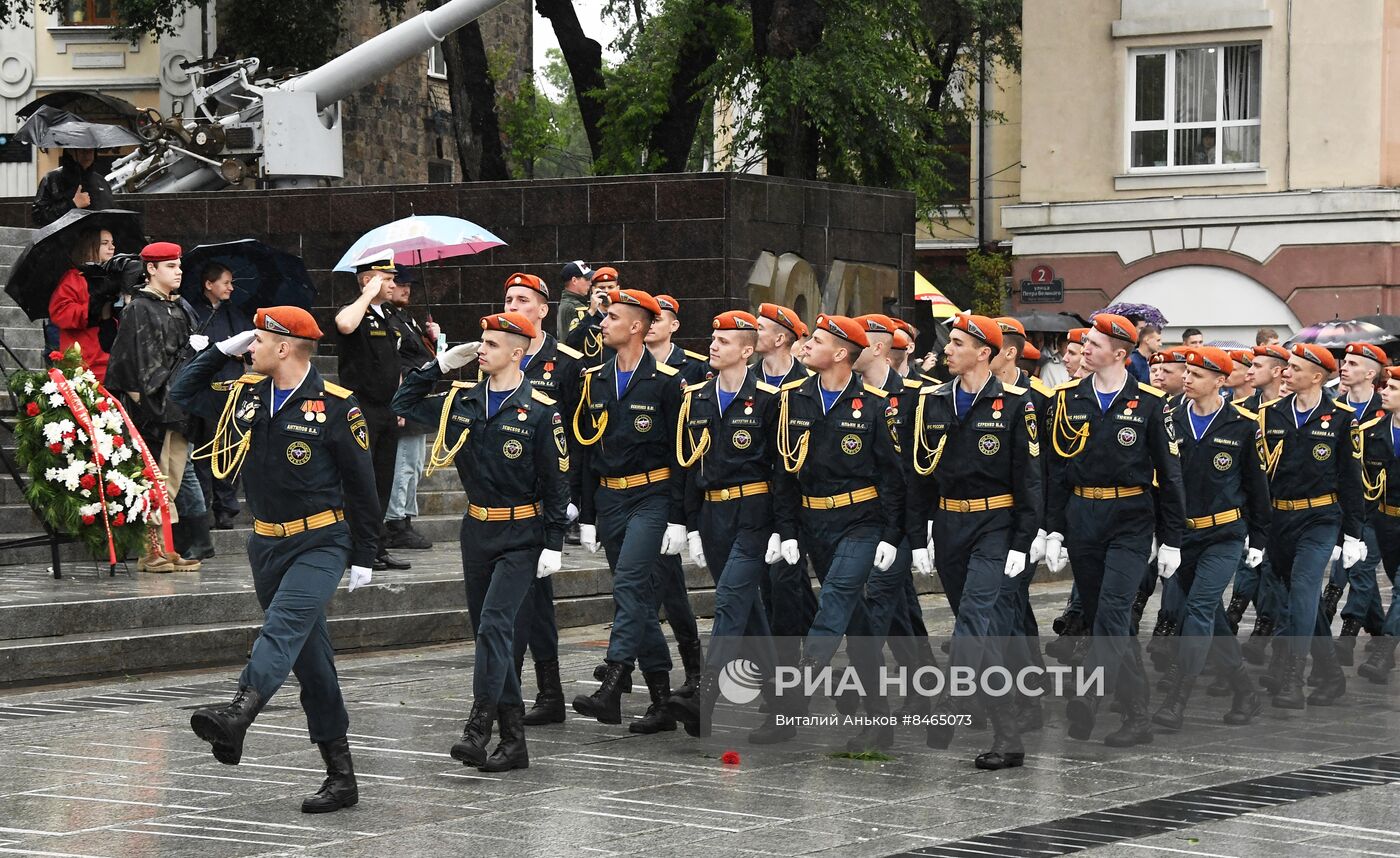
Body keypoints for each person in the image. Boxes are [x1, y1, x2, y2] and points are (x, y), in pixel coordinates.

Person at [173, 306, 379, 814]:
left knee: (283, 627)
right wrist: (222, 349)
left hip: (321, 540)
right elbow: (181, 393)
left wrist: (365, 553)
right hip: (267, 544)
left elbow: (362, 484)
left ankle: (240, 711)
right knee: (312, 663)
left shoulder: (336, 406)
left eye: (259, 340)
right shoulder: (246, 393)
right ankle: (341, 776)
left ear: (285, 347)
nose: (251, 348)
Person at [392, 310, 568, 772]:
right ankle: (514, 742)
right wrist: (440, 364)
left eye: (491, 344)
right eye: (481, 341)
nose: (482, 350)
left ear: (518, 352)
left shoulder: (541, 410)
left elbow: (556, 482)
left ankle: (478, 726)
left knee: (494, 626)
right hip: (478, 530)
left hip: (522, 534)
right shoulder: (460, 401)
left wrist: (554, 542)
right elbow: (403, 403)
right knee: (489, 636)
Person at [762, 314, 905, 743]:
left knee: (837, 597)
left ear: (841, 354)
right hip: (813, 521)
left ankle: (801, 690)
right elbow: (783, 474)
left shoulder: (876, 406)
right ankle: (878, 716)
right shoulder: (792, 401)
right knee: (856, 620)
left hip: (861, 520)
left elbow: (893, 479)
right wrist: (786, 531)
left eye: (817, 340)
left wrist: (893, 536)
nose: (806, 345)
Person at [1043, 313, 1183, 746]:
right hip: (1084, 516)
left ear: (1120, 354)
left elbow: (1169, 472)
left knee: (1114, 611)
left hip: (1131, 518)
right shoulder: (1067, 398)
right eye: (1086, 342)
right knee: (1110, 621)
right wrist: (1051, 530)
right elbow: (1055, 471)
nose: (1086, 348)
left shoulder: (1150, 403)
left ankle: (1089, 694)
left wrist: (1172, 538)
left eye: (1096, 344)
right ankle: (1137, 716)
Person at [909, 313, 1042, 769]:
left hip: (996, 523)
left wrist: (1023, 541)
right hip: (949, 525)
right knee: (978, 633)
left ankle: (949, 698)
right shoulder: (933, 400)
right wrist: (919, 532)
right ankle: (1008, 736)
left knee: (974, 616)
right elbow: (920, 474)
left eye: (958, 343)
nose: (947, 349)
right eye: (948, 342)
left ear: (984, 352)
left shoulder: (1016, 403)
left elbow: (1030, 479)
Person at [570, 289, 686, 731]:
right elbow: (585, 449)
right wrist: (586, 514)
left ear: (636, 326)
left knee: (632, 585)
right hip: (610, 499)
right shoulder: (594, 379)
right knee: (634, 595)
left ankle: (613, 683)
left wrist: (678, 515)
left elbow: (680, 455)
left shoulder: (666, 383)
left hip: (651, 496)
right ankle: (660, 701)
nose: (603, 323)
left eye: (613, 317)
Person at [666, 310, 784, 738]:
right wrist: (687, 523)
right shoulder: (696, 397)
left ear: (747, 351)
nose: (714, 345)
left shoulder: (771, 401)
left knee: (732, 600)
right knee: (747, 611)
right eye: (713, 338)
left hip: (753, 512)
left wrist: (780, 527)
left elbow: (781, 472)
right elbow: (687, 465)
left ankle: (705, 697)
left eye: (725, 340)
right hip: (713, 514)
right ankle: (781, 703)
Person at [1151, 347, 1268, 731]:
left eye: (1197, 374)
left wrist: (1259, 539)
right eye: (1186, 372)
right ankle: (1244, 689)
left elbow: (1256, 486)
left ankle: (1177, 697)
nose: (1187, 378)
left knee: (1199, 607)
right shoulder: (1168, 418)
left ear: (1220, 381)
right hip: (1183, 535)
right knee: (1212, 617)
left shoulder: (1243, 425)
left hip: (1224, 534)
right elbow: (1161, 483)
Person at [495, 272, 584, 726]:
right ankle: (546, 692)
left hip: (545, 497)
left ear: (544, 310)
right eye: (508, 298)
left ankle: (526, 692)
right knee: (531, 599)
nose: (513, 305)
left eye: (523, 300)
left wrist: (570, 501)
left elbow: (579, 436)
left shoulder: (564, 362)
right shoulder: (493, 356)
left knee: (527, 598)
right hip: (504, 495)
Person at [1255, 344, 1364, 709]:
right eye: (1287, 366)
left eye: (1295, 368)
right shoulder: (1270, 415)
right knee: (1301, 599)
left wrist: (1353, 534)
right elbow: (1259, 476)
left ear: (1317, 377)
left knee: (1303, 588)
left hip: (1320, 518)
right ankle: (1331, 676)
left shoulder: (1341, 418)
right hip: (1279, 519)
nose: (1287, 372)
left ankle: (1292, 677)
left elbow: (1351, 481)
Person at [105, 242, 212, 572]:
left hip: (179, 405)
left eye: (178, 265)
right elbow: (127, 361)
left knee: (172, 479)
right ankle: (150, 549)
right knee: (154, 478)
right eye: (170, 266)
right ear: (151, 269)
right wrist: (144, 402)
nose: (178, 271)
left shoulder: (183, 307)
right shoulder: (139, 308)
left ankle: (165, 544)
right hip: (152, 408)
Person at [333, 250, 411, 572]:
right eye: (388, 279)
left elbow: (396, 363)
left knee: (382, 481)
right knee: (361, 483)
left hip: (388, 409)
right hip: (360, 408)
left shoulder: (390, 316)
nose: (394, 285)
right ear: (369, 279)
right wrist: (366, 295)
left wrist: (402, 400)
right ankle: (358, 549)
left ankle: (376, 547)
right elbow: (344, 325)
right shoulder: (355, 312)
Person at [752, 303, 817, 669]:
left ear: (781, 338)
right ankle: (810, 639)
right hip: (757, 496)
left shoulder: (806, 385)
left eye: (760, 327)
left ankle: (786, 664)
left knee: (785, 576)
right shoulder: (746, 379)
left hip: (796, 497)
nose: (753, 331)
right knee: (771, 578)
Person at [1322, 342, 1388, 666]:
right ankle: (1378, 628)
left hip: (1378, 507)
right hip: (1342, 505)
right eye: (1343, 362)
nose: (1343, 367)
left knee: (1358, 567)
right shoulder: (1333, 409)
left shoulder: (1387, 410)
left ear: (1371, 373)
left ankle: (1346, 638)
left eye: (1352, 363)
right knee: (1355, 566)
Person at [187, 262, 252, 531]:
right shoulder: (192, 312)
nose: (230, 287)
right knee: (204, 452)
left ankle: (226, 508)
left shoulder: (234, 314)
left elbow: (250, 344)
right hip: (206, 391)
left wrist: (238, 353)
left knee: (231, 448)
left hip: (233, 389)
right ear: (208, 284)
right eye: (226, 282)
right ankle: (203, 507)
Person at [381, 269, 440, 552]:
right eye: (399, 284)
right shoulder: (388, 318)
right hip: (405, 398)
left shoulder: (408, 318)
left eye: (408, 285)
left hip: (417, 399)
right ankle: (395, 523)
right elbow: (396, 362)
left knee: (413, 465)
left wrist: (433, 338)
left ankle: (405, 516)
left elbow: (425, 357)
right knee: (403, 465)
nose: (405, 290)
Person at [1355, 366, 1400, 683]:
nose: (1384, 391)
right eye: (1385, 386)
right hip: (1383, 519)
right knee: (1365, 571)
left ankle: (1384, 650)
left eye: (1393, 388)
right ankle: (1378, 625)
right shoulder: (1373, 431)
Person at [47, 227, 116, 381]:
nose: (112, 247)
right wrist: (93, 307)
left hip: (111, 356)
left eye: (112, 242)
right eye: (105, 243)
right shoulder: (73, 278)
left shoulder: (112, 277)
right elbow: (60, 313)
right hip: (85, 359)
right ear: (90, 246)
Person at [31, 147, 114, 227]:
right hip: (65, 239)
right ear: (70, 151)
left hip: (95, 239)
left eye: (91, 151)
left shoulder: (101, 182)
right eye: (83, 151)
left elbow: (110, 214)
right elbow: (39, 217)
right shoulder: (52, 179)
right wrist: (72, 204)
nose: (88, 156)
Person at [556, 260, 594, 340]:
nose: (590, 283)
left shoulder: (573, 303)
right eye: (587, 279)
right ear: (574, 280)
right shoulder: (572, 306)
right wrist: (592, 311)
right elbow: (572, 341)